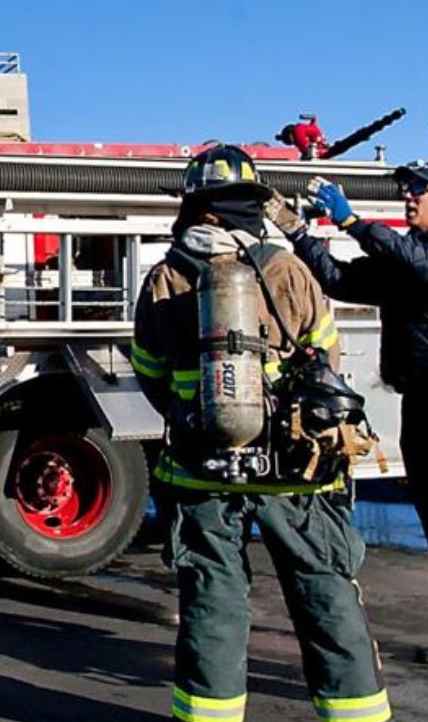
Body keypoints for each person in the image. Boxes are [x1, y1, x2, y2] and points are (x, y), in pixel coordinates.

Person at [133, 144, 390, 722]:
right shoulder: (288, 269)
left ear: (195, 207)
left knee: (214, 604)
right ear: (251, 204)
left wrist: (193, 412)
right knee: (324, 593)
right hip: (295, 470)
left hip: (202, 467)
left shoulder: (166, 277)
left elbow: (148, 371)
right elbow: (326, 355)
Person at [269, 159, 428, 670]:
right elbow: (341, 280)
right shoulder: (409, 253)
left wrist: (351, 222)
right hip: (421, 402)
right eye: (406, 191)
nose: (409, 198)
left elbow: (427, 268)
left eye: (420, 192)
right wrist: (298, 233)